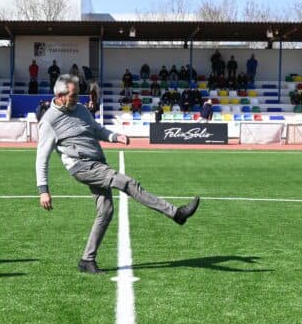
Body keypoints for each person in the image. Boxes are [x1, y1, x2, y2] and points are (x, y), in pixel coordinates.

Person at [36, 75, 200, 274]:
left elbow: (96, 130)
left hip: (97, 162)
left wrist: (115, 137)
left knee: (105, 212)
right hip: (81, 167)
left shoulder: (80, 109)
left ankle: (87, 260)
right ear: (60, 96)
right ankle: (176, 213)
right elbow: (41, 157)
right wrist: (43, 190)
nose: (77, 98)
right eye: (73, 95)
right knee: (127, 182)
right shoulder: (49, 122)